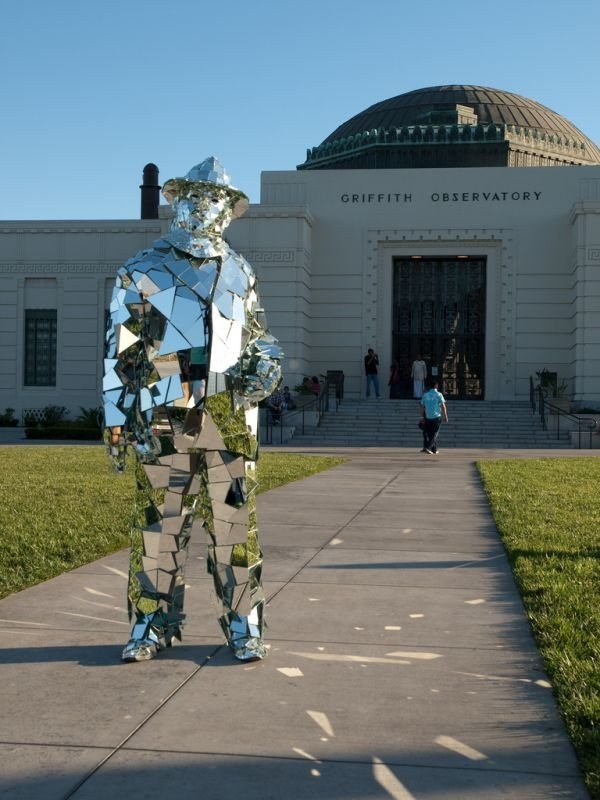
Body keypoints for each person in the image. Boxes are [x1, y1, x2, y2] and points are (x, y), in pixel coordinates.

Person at [103, 157, 282, 663]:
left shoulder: (240, 272)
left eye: (216, 200)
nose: (206, 207)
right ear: (175, 201)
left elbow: (257, 337)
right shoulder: (141, 270)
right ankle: (149, 624)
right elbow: (122, 351)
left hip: (230, 416)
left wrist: (268, 360)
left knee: (234, 527)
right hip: (165, 413)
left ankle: (244, 624)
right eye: (196, 197)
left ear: (229, 211)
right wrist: (117, 422)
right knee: (158, 528)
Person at [419, 377, 448, 454]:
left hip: (428, 417)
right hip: (436, 417)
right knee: (435, 433)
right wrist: (445, 416)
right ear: (436, 386)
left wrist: (422, 417)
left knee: (431, 434)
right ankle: (428, 447)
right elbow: (443, 406)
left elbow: (422, 406)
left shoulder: (425, 395)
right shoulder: (439, 394)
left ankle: (434, 449)